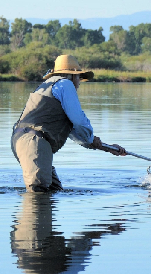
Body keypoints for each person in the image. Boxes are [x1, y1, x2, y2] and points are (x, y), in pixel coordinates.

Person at [11, 54, 126, 192]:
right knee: (39, 193)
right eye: (79, 77)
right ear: (72, 76)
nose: (79, 83)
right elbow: (79, 121)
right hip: (34, 143)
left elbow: (73, 131)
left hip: (21, 141)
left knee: (54, 189)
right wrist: (90, 138)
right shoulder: (65, 84)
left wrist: (107, 148)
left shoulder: (47, 86)